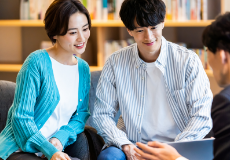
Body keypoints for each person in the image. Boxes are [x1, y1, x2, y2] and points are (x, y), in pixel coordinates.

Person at [92, 0, 213, 159]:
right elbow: (102, 114)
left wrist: (173, 152)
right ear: (129, 30)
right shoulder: (115, 62)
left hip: (178, 144)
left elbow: (202, 115)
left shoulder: (188, 61)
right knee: (109, 157)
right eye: (140, 30)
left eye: (153, 28)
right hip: (133, 144)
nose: (148, 37)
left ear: (162, 23)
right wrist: (125, 145)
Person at [0, 0, 91, 160]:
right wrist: (49, 150)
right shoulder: (36, 62)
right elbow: (21, 117)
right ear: (55, 34)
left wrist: (61, 138)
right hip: (21, 149)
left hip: (56, 149)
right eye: (72, 33)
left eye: (85, 29)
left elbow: (80, 115)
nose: (82, 38)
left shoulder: (83, 68)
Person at [134, 12, 230, 160]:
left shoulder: (225, 102)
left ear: (223, 56)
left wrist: (175, 158)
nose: (209, 62)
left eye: (207, 52)